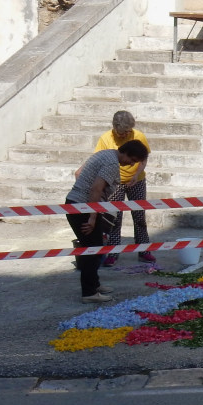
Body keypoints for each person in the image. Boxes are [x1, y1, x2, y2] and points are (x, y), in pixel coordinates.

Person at [66, 141, 149, 304]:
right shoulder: (111, 163)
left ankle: (94, 284)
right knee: (93, 249)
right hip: (82, 207)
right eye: (132, 159)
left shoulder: (105, 154)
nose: (131, 164)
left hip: (77, 204)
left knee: (95, 246)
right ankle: (89, 292)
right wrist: (92, 217)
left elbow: (79, 173)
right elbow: (96, 189)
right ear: (125, 153)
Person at [86, 111, 152, 267]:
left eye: (128, 132)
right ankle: (113, 252)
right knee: (114, 218)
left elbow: (144, 157)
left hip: (137, 181)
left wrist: (136, 174)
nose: (126, 135)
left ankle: (144, 250)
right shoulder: (105, 138)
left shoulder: (139, 136)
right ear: (115, 128)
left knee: (139, 217)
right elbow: (99, 159)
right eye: (122, 132)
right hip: (114, 182)